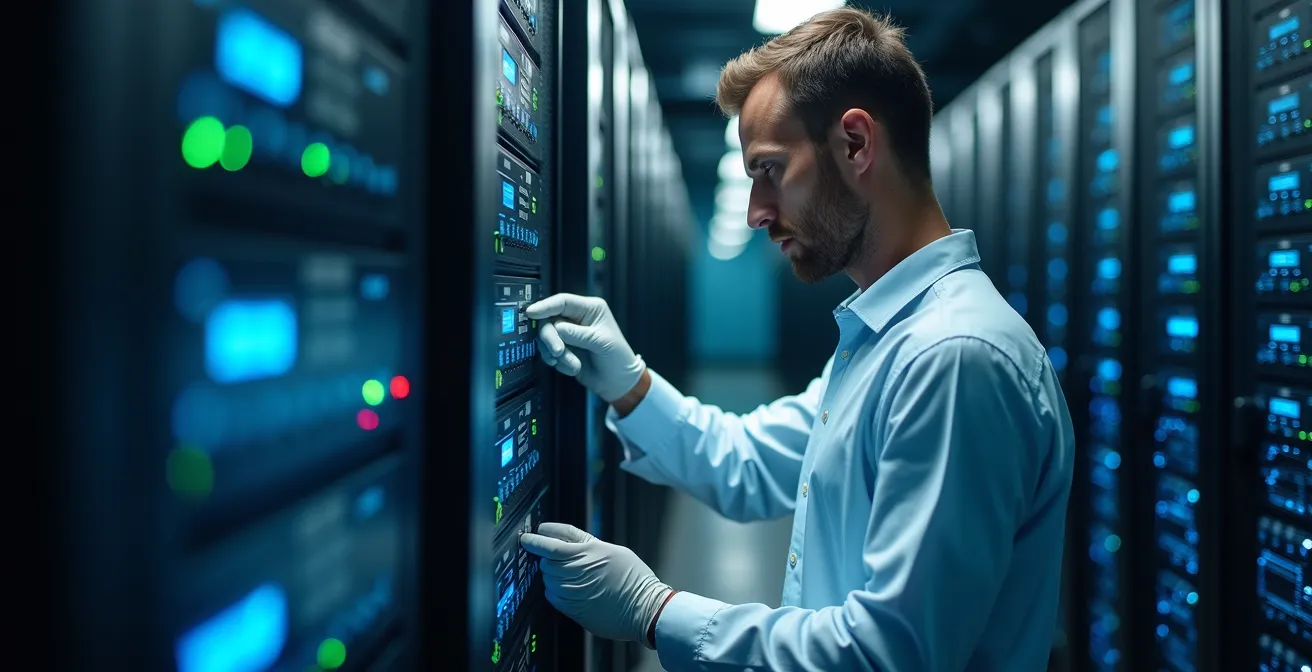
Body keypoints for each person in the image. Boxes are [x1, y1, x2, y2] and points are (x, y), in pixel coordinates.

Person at [518, 7, 1075, 671]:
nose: (757, 212)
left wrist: (655, 610)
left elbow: (889, 656)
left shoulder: (953, 358)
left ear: (855, 145)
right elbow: (749, 464)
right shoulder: (885, 336)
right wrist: (627, 381)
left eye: (770, 170)